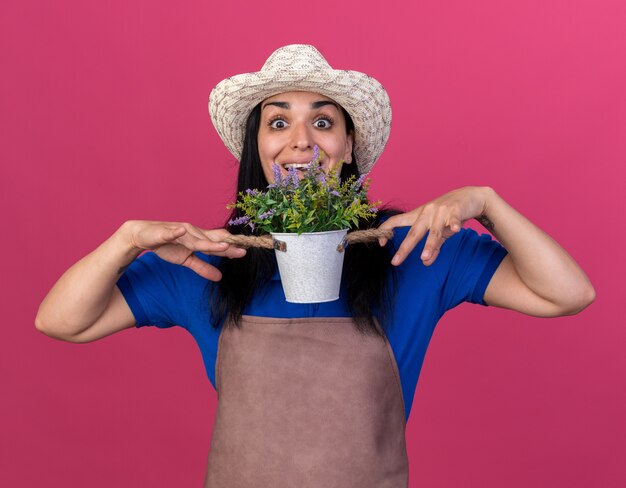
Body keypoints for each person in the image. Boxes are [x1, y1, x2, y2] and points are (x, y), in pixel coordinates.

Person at [35, 45, 595, 487]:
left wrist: (487, 203)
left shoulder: (412, 250)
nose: (301, 141)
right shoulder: (211, 262)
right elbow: (62, 320)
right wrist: (128, 240)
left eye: (323, 122)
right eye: (278, 123)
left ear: (348, 144)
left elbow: (566, 293)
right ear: (257, 146)